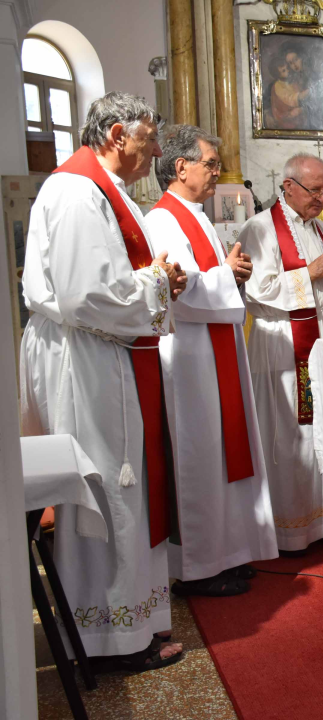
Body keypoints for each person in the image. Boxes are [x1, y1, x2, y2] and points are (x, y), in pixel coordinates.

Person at [19, 92, 187, 671]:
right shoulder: (75, 190)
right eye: (149, 139)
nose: (157, 151)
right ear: (117, 134)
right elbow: (85, 294)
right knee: (102, 489)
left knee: (118, 486)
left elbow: (111, 281)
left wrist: (159, 282)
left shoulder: (104, 190)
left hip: (100, 349)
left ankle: (120, 625)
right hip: (84, 355)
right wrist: (157, 287)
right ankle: (104, 639)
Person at [143, 124, 278, 595]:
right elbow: (179, 292)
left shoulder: (194, 215)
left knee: (224, 452)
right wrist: (228, 274)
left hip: (215, 350)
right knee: (200, 454)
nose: (218, 172)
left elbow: (207, 279)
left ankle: (228, 552)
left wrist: (229, 274)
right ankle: (200, 566)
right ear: (180, 167)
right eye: (211, 164)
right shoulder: (162, 219)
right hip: (190, 358)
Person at [239, 153, 323, 554]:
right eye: (315, 189)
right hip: (283, 345)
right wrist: (310, 272)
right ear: (288, 186)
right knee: (293, 434)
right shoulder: (260, 228)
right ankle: (291, 529)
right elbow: (258, 295)